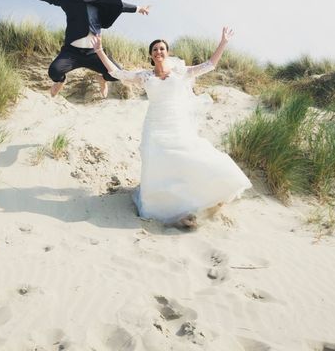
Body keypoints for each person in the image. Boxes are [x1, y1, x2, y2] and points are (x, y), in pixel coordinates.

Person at [93, 27, 252, 229]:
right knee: (157, 161)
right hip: (154, 124)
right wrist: (99, 51)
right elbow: (117, 72)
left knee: (186, 156)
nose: (159, 52)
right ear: (151, 55)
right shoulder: (144, 76)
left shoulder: (181, 72)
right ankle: (167, 210)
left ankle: (199, 199)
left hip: (176, 123)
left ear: (167, 52)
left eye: (162, 48)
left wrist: (223, 42)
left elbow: (210, 65)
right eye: (155, 50)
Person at [14, 0, 150, 98]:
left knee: (116, 75)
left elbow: (120, 6)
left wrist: (138, 8)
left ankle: (102, 79)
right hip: (71, 53)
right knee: (54, 72)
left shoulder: (99, 0)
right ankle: (61, 82)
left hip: (94, 52)